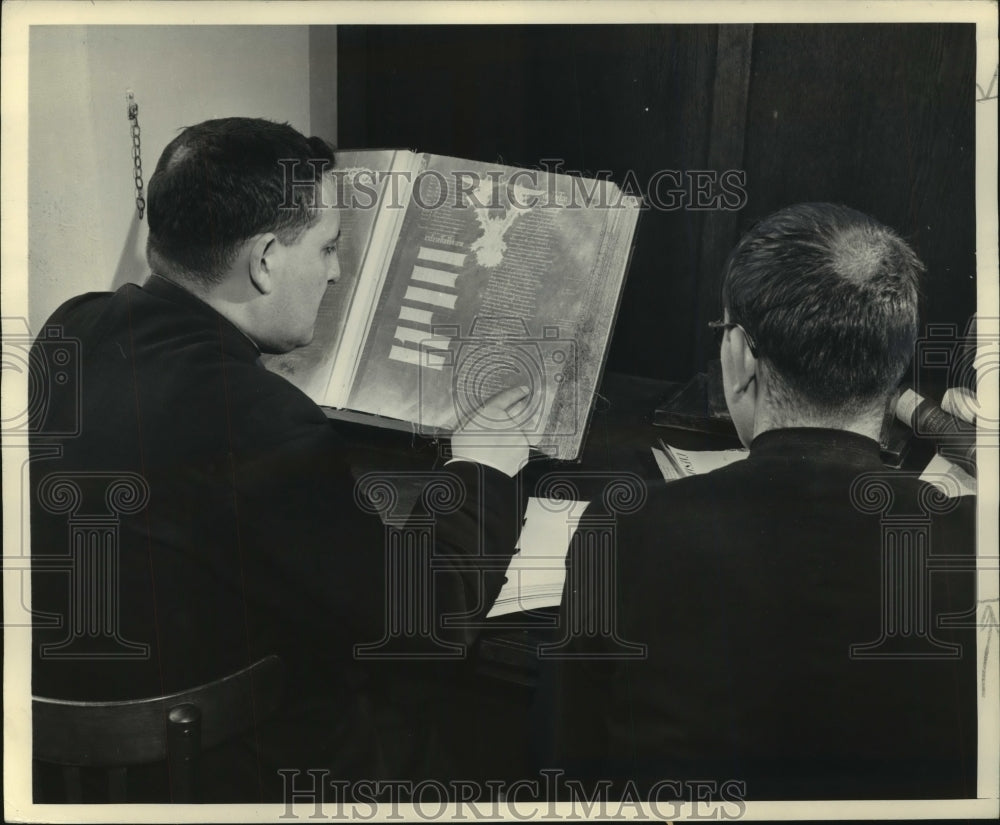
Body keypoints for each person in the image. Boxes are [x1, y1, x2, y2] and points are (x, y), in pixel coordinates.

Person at [30, 117, 530, 802]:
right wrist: (481, 470)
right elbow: (426, 624)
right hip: (233, 779)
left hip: (69, 775)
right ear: (264, 260)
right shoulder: (260, 421)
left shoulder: (69, 328)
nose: (333, 272)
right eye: (328, 247)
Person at [546, 203, 977, 801]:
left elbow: (570, 780)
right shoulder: (977, 547)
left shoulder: (623, 530)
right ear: (894, 366)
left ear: (743, 357)